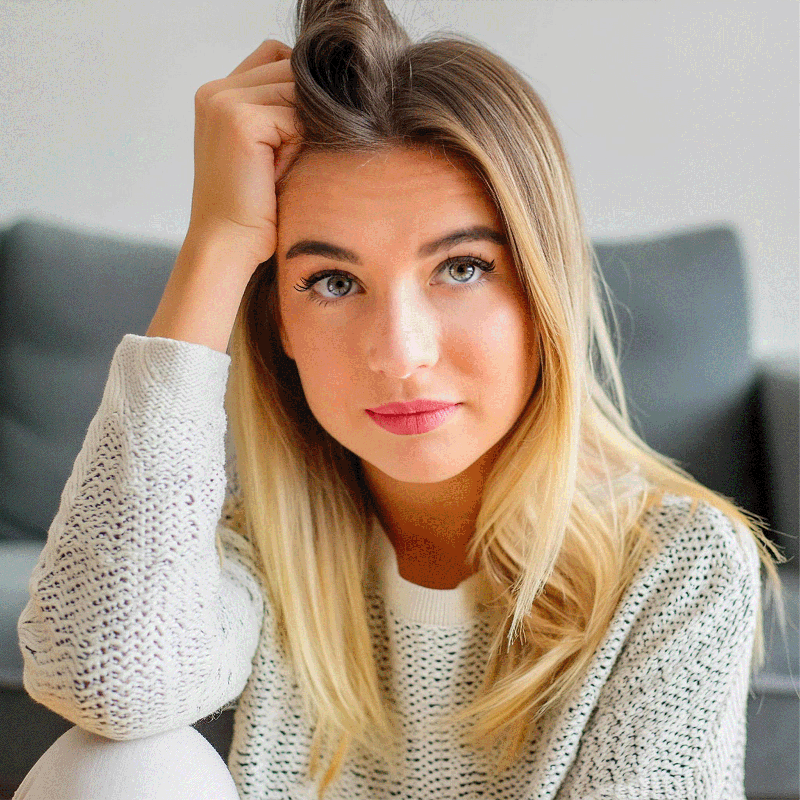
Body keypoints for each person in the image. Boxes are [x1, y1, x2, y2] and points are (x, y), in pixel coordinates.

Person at [15, 0, 789, 798]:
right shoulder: (260, 541)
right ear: (278, 320)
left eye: (461, 268)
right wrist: (216, 241)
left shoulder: (679, 563)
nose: (399, 354)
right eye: (333, 281)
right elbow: (104, 683)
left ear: (541, 291)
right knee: (113, 762)